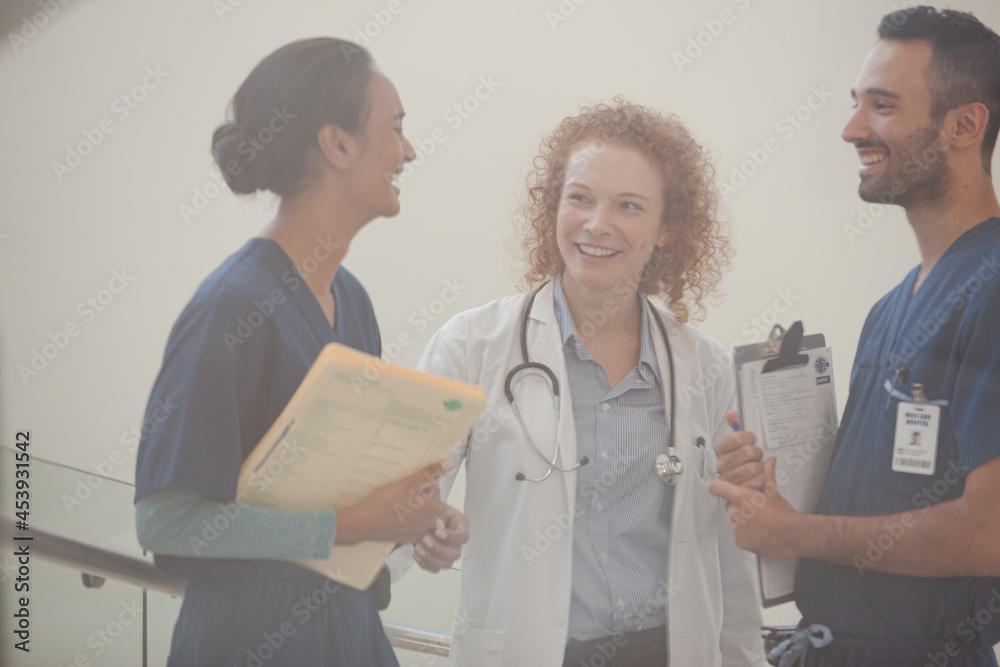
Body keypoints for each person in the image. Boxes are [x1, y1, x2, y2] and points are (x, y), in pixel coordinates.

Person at [133, 38, 467, 666]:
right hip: (246, 637)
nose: (409, 151)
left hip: (346, 626)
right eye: (395, 129)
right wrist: (356, 525)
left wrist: (417, 518)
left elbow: (337, 485)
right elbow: (166, 522)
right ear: (337, 144)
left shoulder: (352, 301)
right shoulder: (230, 308)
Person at [409, 98, 764, 666]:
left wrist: (744, 659)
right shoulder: (472, 345)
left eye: (629, 205)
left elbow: (730, 553)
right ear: (554, 206)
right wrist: (423, 536)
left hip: (667, 651)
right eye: (579, 198)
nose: (597, 225)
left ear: (667, 228)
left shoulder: (707, 368)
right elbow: (403, 499)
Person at [709, 6, 1000, 666]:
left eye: (883, 106)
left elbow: (990, 531)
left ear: (965, 124)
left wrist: (797, 532)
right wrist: (774, 494)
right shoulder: (889, 308)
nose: (851, 129)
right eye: (855, 104)